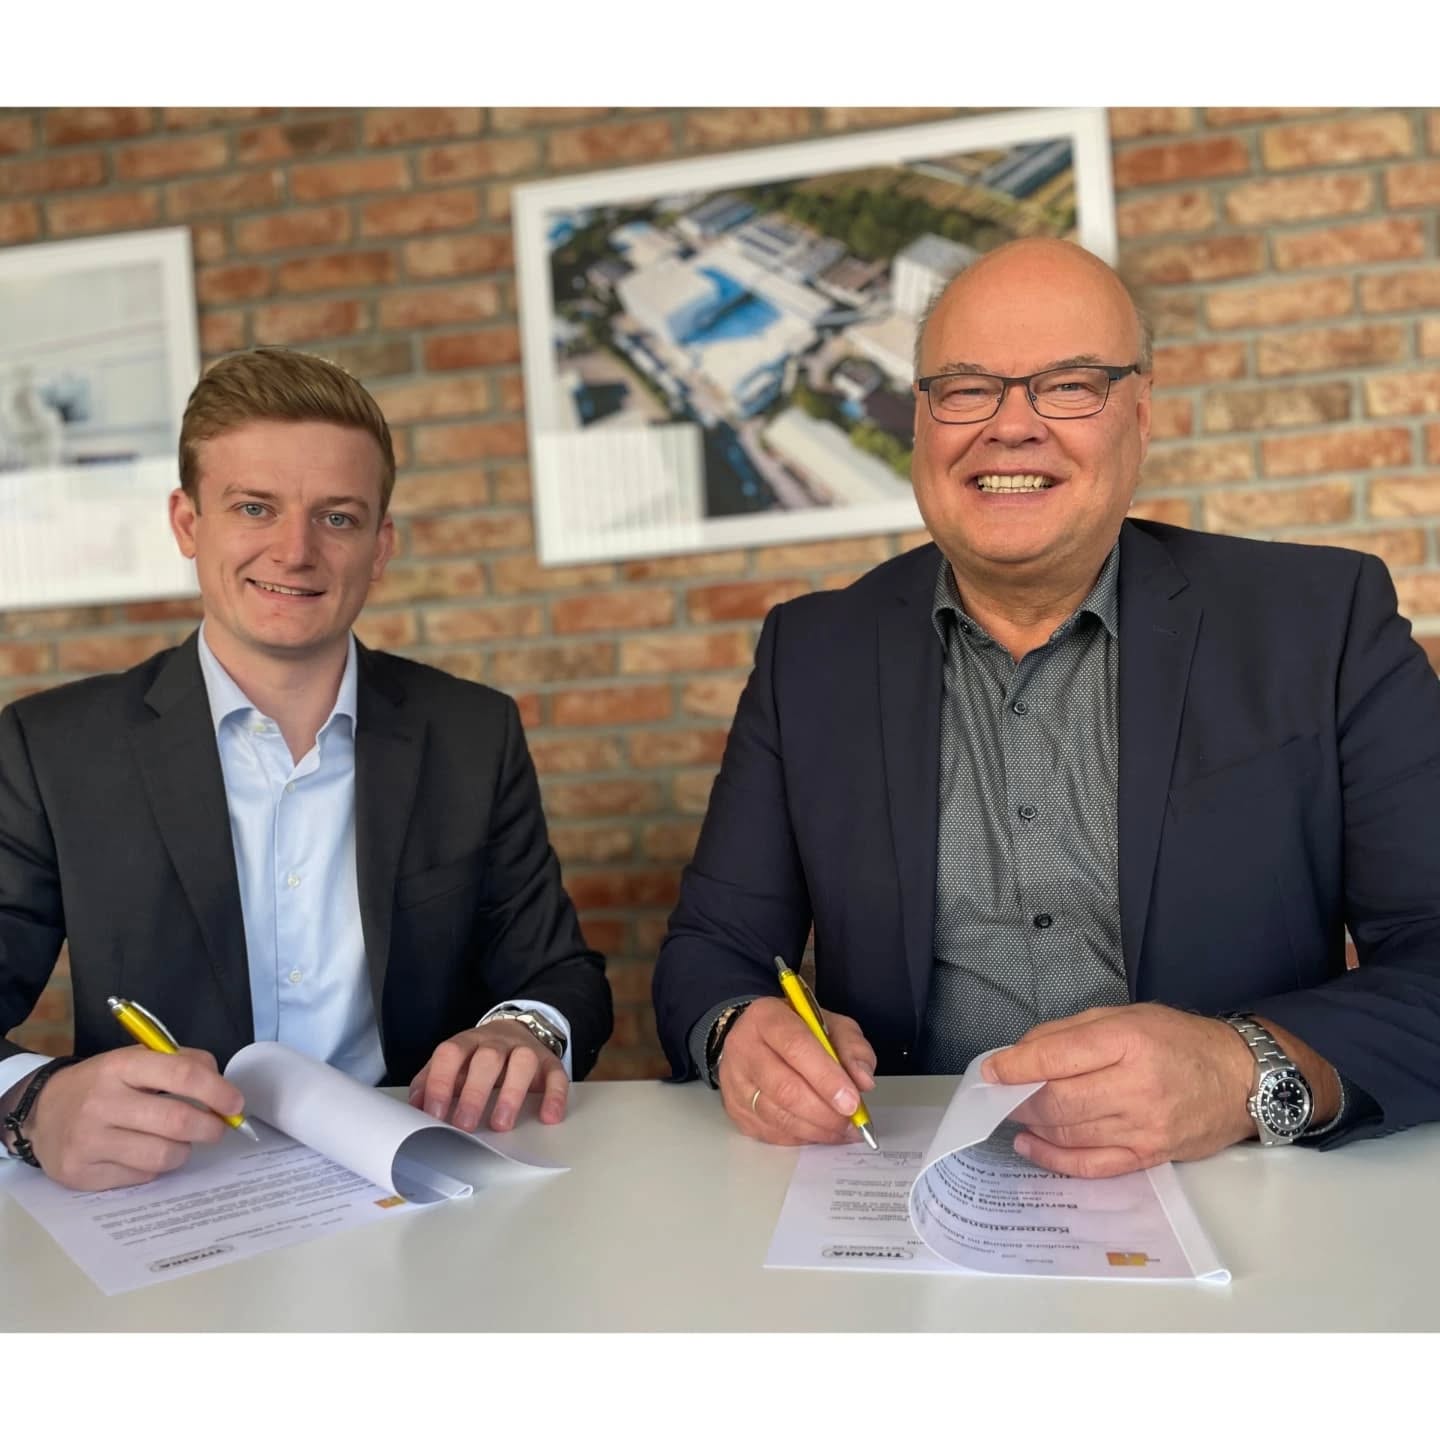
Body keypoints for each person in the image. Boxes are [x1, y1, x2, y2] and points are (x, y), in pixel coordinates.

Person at [653, 236, 1440, 1177]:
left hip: (1234, 1187)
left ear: (1140, 415)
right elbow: (715, 950)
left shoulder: (1322, 620)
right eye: (966, 388)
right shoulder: (810, 653)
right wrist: (738, 1027)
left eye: (1069, 385)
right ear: (922, 422)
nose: (1011, 427)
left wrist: (1243, 1071)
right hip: (905, 1189)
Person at [0, 347, 612, 1192]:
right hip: (166, 1195)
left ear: (380, 546)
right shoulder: (52, 747)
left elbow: (559, 975)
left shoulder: (473, 732)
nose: (295, 552)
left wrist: (524, 1031)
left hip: (417, 1185)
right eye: (255, 507)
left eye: (337, 518)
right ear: (187, 523)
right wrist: (30, 1105)